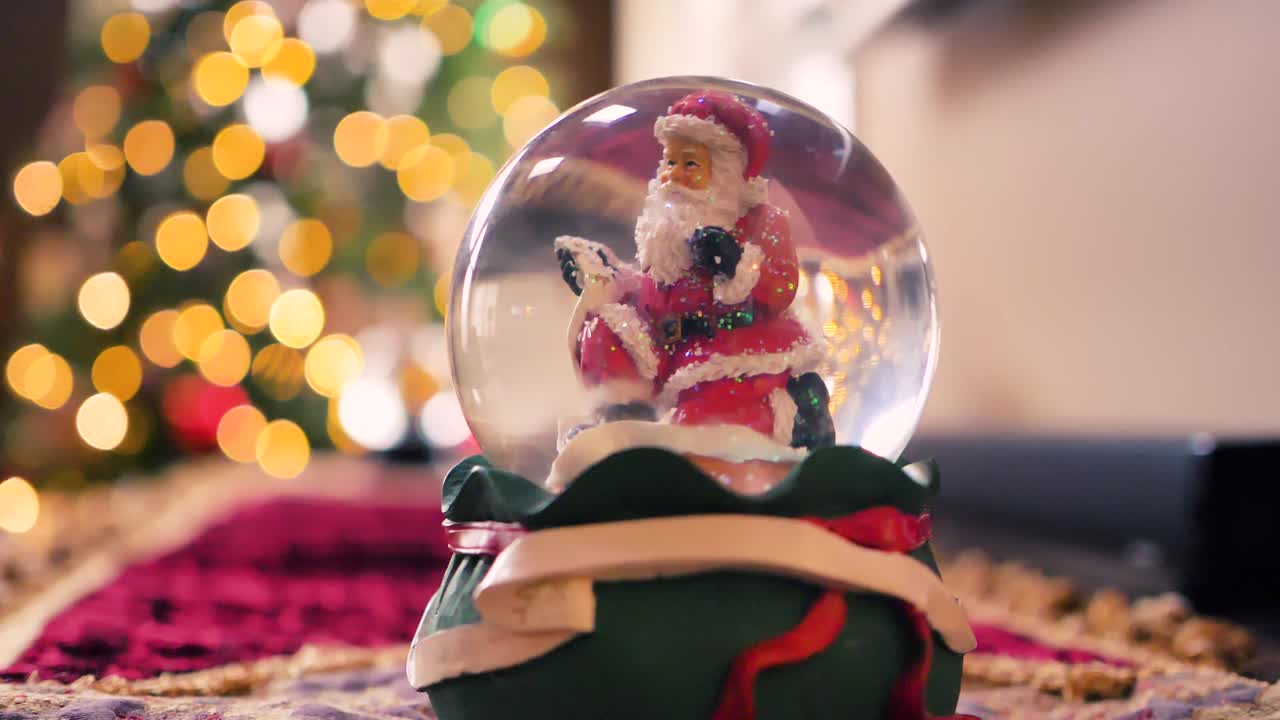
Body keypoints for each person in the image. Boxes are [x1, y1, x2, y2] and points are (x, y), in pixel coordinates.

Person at [556, 90, 835, 450]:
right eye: (670, 162)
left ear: (724, 173)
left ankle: (792, 415)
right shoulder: (665, 233)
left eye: (690, 165)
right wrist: (603, 276)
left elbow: (781, 291)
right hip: (670, 352)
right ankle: (621, 422)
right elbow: (651, 296)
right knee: (604, 329)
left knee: (702, 433)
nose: (674, 175)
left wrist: (735, 261)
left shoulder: (761, 222)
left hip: (732, 352)